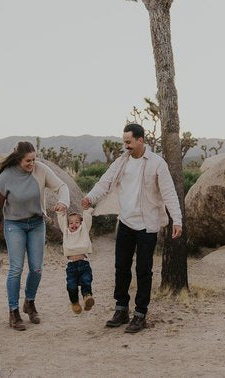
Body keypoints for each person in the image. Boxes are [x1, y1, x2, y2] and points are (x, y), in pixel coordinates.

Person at [81, 123, 182, 334]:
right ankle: (121, 309)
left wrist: (177, 220)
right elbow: (104, 182)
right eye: (124, 142)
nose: (125, 146)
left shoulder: (157, 164)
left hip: (147, 225)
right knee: (121, 268)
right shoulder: (121, 162)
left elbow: (169, 193)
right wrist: (90, 198)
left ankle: (140, 314)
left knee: (143, 271)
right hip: (126, 222)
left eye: (128, 142)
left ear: (140, 140)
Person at [0, 141, 70, 331]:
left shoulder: (41, 170)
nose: (32, 164)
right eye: (28, 161)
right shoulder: (6, 176)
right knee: (16, 268)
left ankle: (29, 303)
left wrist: (64, 201)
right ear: (18, 159)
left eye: (34, 159)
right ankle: (13, 312)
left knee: (37, 268)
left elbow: (62, 186)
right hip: (14, 225)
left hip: (36, 224)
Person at [57, 208, 95, 314]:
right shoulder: (66, 232)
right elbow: (61, 220)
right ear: (67, 224)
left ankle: (87, 298)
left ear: (81, 223)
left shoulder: (84, 230)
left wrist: (87, 211)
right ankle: (75, 303)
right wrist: (60, 212)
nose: (74, 224)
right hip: (71, 266)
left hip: (84, 263)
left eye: (77, 222)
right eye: (71, 223)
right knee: (71, 285)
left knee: (86, 281)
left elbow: (87, 219)